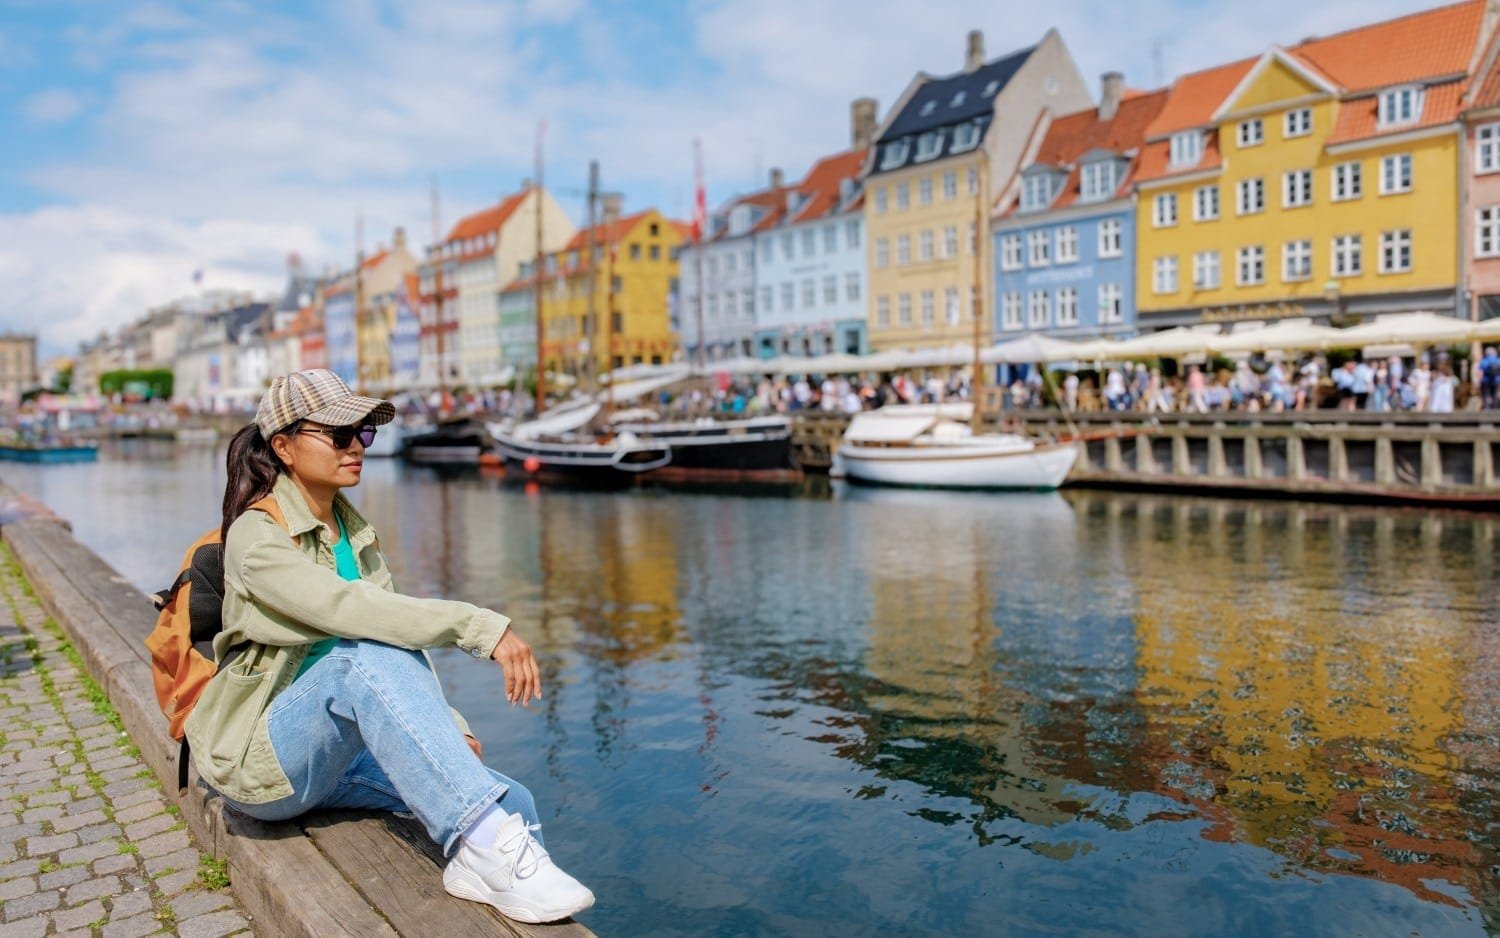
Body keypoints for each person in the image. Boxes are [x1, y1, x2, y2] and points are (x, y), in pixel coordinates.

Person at [185, 369, 594, 924]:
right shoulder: (257, 538)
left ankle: (513, 889)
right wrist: (481, 628)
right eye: (337, 434)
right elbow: (353, 614)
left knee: (510, 803)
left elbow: (397, 637)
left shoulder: (355, 533)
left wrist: (451, 725)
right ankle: (493, 859)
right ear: (282, 446)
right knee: (361, 656)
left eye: (363, 433)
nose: (356, 446)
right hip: (263, 759)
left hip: (338, 752)